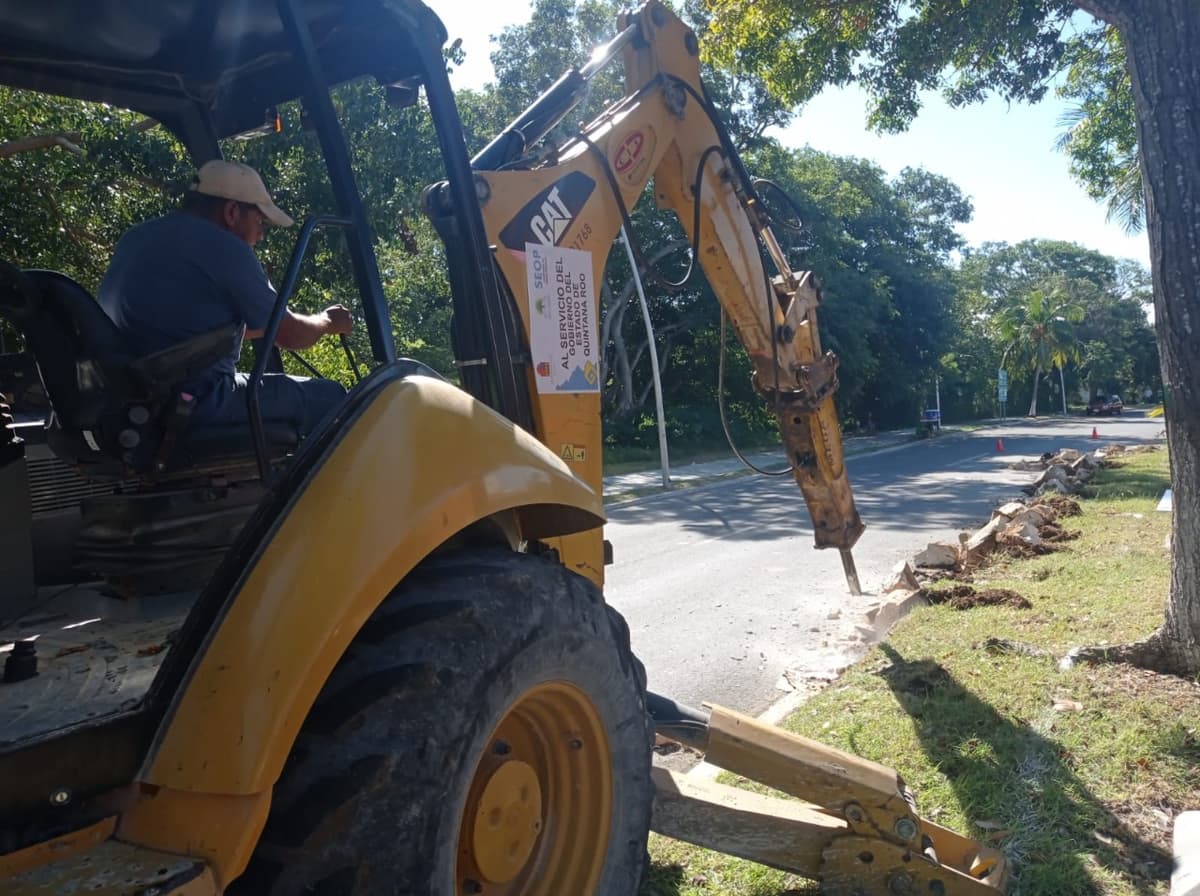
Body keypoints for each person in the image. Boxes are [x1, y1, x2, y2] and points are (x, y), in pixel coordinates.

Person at [99, 159, 352, 438]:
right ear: (232, 211)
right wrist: (328, 321)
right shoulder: (222, 246)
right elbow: (289, 335)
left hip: (137, 401)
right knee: (333, 398)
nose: (261, 234)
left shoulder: (136, 238)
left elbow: (185, 336)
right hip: (196, 401)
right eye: (259, 221)